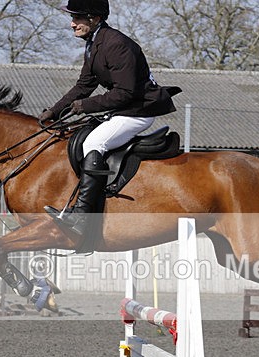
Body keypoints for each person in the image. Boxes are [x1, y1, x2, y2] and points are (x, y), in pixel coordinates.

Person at [40, 0, 177, 237]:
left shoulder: (117, 45)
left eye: (77, 18)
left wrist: (86, 106)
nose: (72, 24)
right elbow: (84, 85)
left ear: (94, 18)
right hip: (122, 109)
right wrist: (54, 111)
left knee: (93, 143)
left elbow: (125, 93)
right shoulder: (94, 44)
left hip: (138, 111)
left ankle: (82, 216)